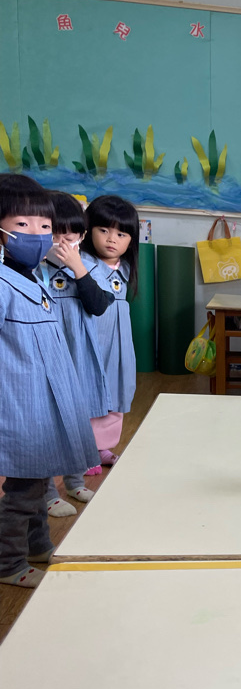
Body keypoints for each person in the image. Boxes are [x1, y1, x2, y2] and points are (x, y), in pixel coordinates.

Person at [0, 187, 99, 587]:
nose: (38, 234)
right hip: (22, 405)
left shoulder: (33, 276)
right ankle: (7, 563)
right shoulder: (3, 282)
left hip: (44, 403)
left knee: (40, 482)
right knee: (24, 491)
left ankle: (38, 547)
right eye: (23, 224)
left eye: (45, 226)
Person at [42, 192, 114, 515]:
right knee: (45, 426)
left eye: (69, 237)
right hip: (46, 358)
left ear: (82, 237)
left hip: (78, 355)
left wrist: (78, 268)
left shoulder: (90, 267)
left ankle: (74, 482)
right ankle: (47, 494)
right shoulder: (34, 268)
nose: (61, 244)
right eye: (53, 235)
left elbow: (98, 305)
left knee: (76, 423)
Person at [80, 195, 139, 467]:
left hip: (119, 343)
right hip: (91, 340)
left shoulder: (124, 268)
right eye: (103, 230)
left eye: (121, 234)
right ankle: (84, 450)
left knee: (117, 389)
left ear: (131, 240)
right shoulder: (81, 263)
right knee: (89, 391)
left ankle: (102, 446)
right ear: (88, 230)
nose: (111, 239)